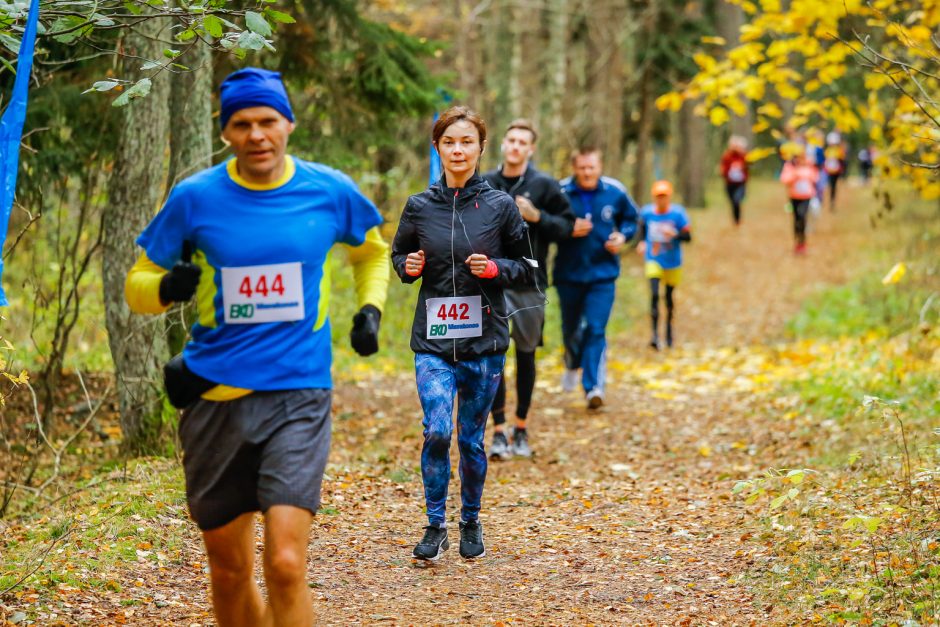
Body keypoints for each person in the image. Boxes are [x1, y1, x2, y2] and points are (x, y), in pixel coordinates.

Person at [125, 68, 389, 627]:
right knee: (228, 569)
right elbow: (137, 285)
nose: (257, 135)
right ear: (226, 132)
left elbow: (371, 252)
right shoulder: (195, 198)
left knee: (287, 564)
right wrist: (165, 290)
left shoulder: (327, 189)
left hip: (298, 392)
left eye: (268, 121)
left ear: (288, 123)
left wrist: (370, 310)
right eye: (242, 124)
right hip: (213, 396)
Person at [391, 106, 535, 561]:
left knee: (470, 440)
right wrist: (406, 267)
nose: (458, 150)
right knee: (436, 430)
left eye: (466, 142)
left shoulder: (499, 206)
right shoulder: (419, 205)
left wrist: (495, 269)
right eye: (449, 142)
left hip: (484, 342)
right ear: (437, 148)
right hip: (433, 342)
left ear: (480, 148)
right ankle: (435, 524)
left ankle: (470, 518)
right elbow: (399, 256)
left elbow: (527, 269)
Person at [482, 119, 574, 460]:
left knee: (525, 354)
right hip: (489, 282)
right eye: (511, 140)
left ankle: (521, 427)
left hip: (529, 283)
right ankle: (498, 431)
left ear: (531, 149)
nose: (516, 146)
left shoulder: (545, 185)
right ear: (502, 145)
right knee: (493, 355)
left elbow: (567, 226)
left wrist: (537, 218)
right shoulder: (485, 183)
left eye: (523, 142)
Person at [555, 148, 638, 409]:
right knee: (570, 330)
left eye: (591, 167)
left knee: (595, 328)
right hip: (568, 274)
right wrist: (568, 229)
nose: (587, 172)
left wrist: (622, 237)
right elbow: (546, 225)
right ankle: (571, 362)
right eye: (582, 168)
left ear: (600, 167)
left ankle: (593, 387)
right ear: (574, 168)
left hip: (603, 274)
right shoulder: (560, 192)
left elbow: (632, 219)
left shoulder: (615, 191)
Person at [637, 181, 691, 349]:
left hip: (673, 261)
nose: (661, 199)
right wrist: (640, 243)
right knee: (654, 295)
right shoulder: (646, 213)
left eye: (664, 196)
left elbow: (688, 238)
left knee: (668, 298)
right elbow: (641, 230)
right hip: (653, 259)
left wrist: (675, 234)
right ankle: (654, 335)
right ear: (654, 197)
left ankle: (668, 332)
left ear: (669, 196)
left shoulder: (678, 214)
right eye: (658, 196)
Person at [780, 147, 820, 254]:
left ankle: (802, 242)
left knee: (802, 217)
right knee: (796, 219)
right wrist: (796, 175)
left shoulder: (810, 165)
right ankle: (797, 240)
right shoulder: (790, 166)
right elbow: (784, 179)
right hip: (794, 197)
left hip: (806, 197)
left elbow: (816, 177)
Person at [719, 135, 749, 226]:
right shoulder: (727, 156)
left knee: (737, 200)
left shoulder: (743, 156)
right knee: (732, 202)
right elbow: (723, 168)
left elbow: (749, 165)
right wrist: (724, 174)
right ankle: (735, 220)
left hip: (740, 183)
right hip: (729, 183)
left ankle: (738, 220)